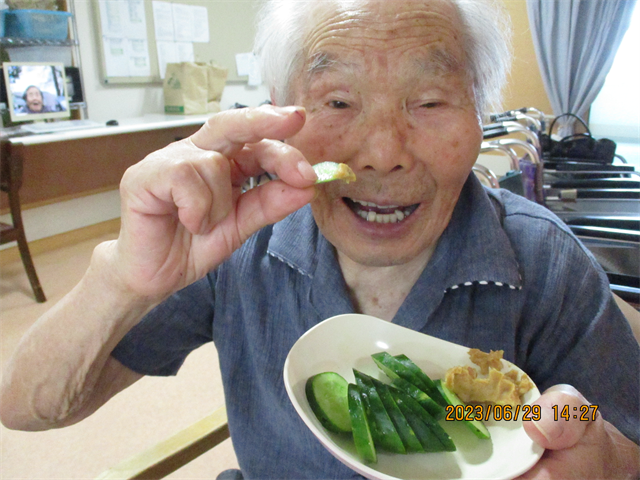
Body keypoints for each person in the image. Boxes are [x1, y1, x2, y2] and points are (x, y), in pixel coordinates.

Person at [1, 0, 639, 478]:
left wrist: (593, 450)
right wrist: (122, 282)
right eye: (337, 102)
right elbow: (29, 409)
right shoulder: (231, 244)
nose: (383, 154)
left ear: (479, 111)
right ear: (278, 112)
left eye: (429, 101)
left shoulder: (544, 259)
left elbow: (614, 430)